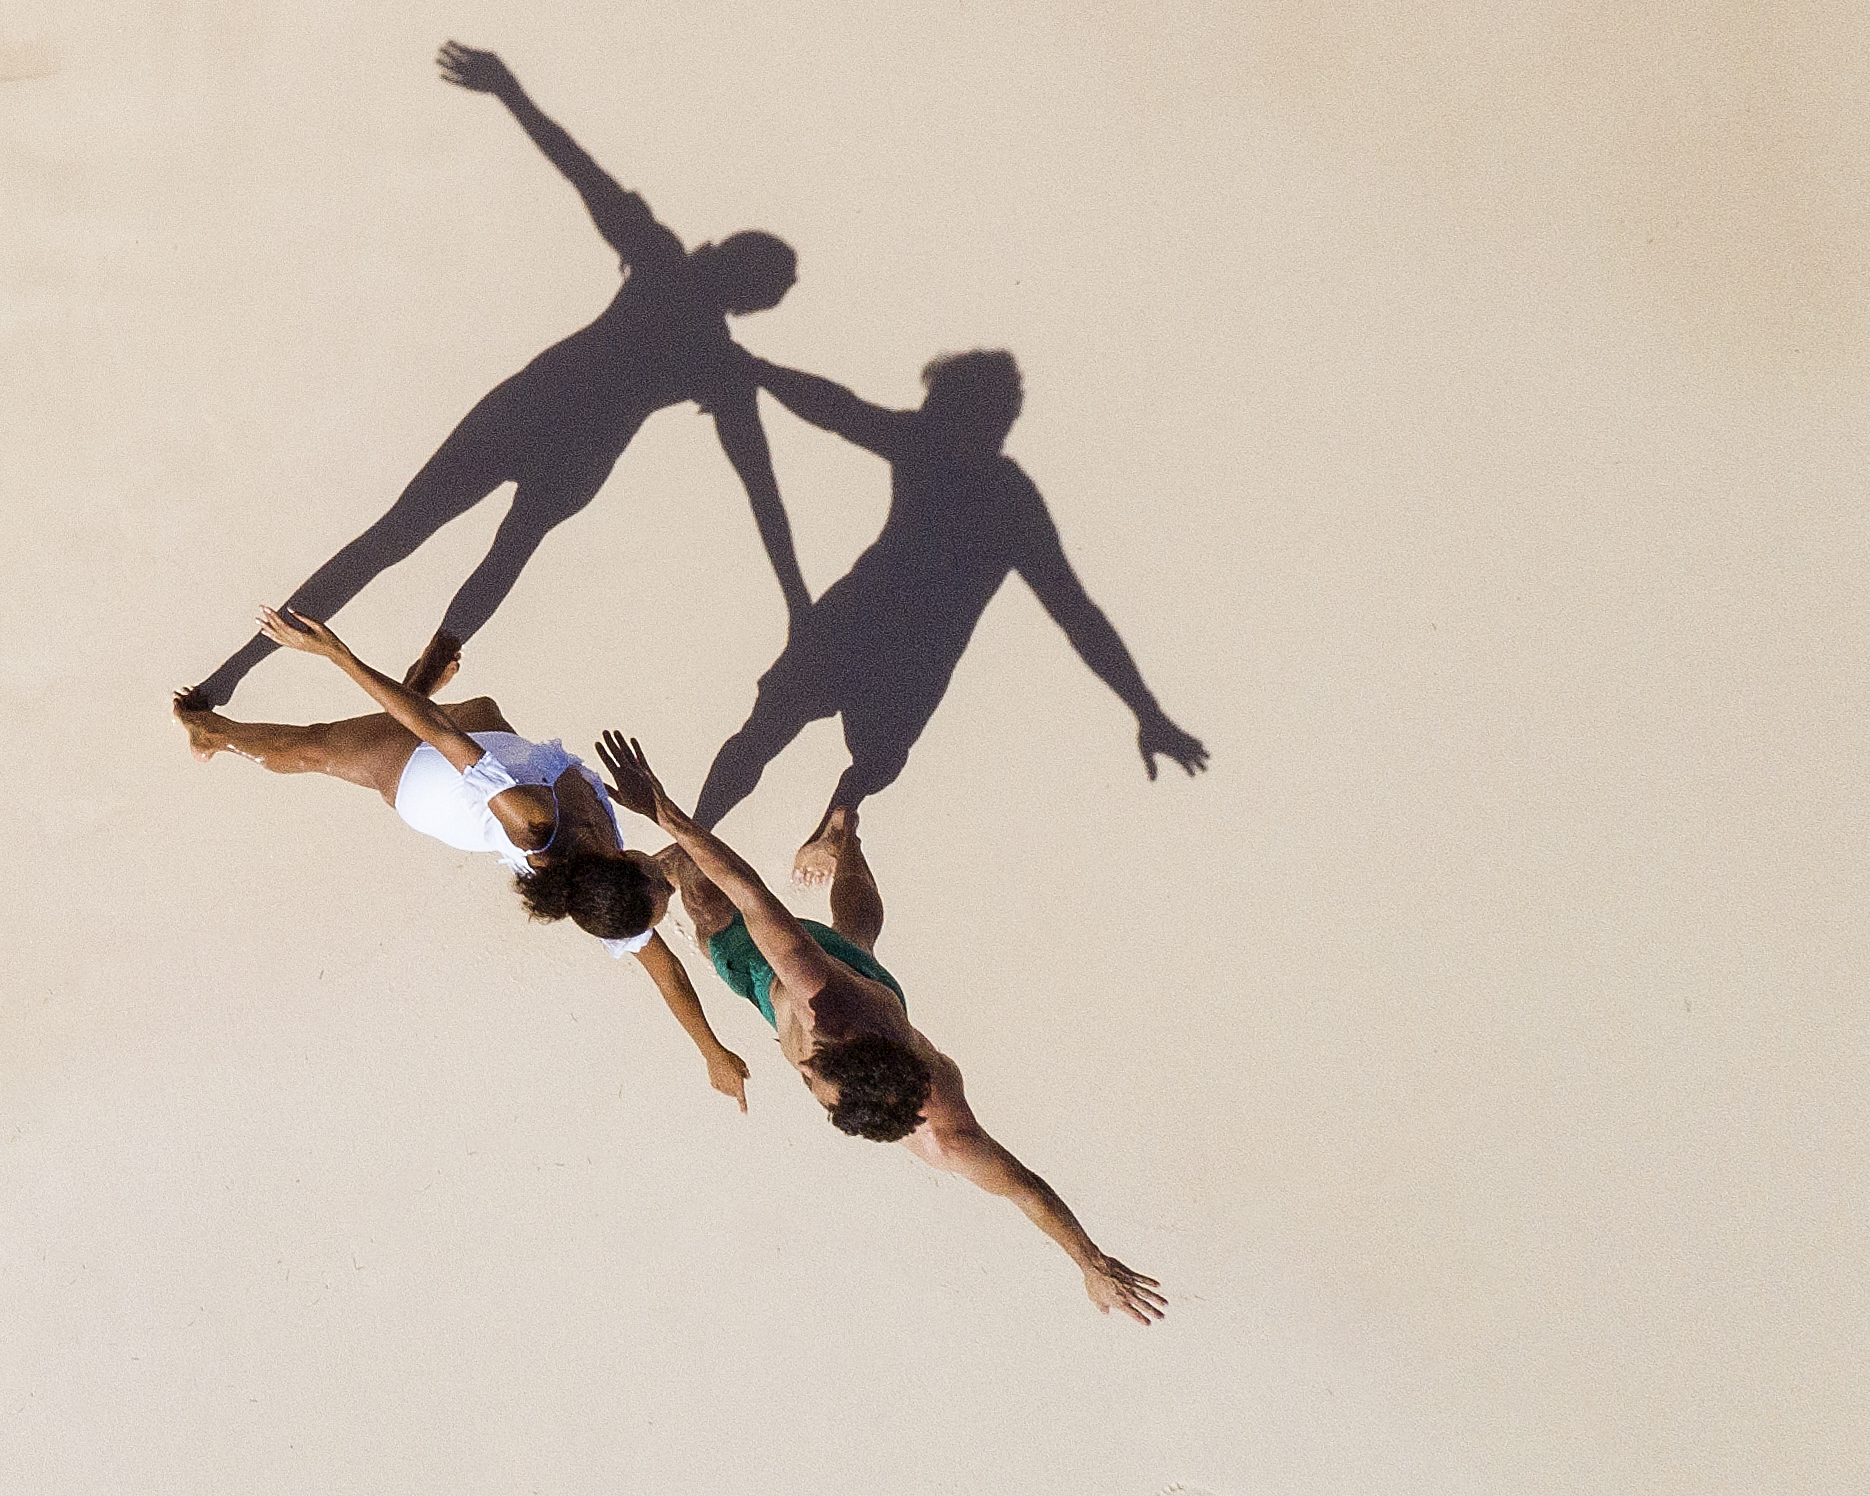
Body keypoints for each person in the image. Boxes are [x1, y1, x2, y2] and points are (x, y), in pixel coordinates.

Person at [183, 45, 813, 712]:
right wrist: (798, 604)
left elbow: (584, 173)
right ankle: (408, 684)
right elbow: (761, 487)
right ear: (747, 303)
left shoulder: (663, 264)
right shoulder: (718, 360)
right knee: (500, 552)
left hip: (529, 409)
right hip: (582, 450)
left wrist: (508, 89)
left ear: (725, 261)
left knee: (398, 535)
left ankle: (239, 673)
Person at [588, 729, 1168, 1321]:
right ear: (839, 1044)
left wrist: (1090, 1263)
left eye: (815, 1091)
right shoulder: (822, 997)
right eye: (814, 1076)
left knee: (858, 941)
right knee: (717, 918)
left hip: (872, 995)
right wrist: (663, 811)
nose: (804, 1076)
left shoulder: (944, 1136)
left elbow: (1023, 1189)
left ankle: (844, 837)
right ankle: (686, 864)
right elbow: (754, 896)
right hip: (801, 984)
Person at [181, 606, 760, 1110]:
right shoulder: (583, 857)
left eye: (660, 881)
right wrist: (714, 1050)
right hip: (495, 750)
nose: (668, 875)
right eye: (665, 883)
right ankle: (411, 691)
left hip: (422, 782)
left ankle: (211, 735)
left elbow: (436, 736)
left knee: (316, 745)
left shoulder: (534, 822)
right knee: (481, 707)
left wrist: (335, 652)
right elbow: (669, 971)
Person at [691, 348, 1206, 824]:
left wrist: (756, 368)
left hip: (865, 623)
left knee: (774, 740)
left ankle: (729, 830)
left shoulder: (938, 448)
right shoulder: (1000, 488)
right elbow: (1077, 615)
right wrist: (1146, 711)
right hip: (910, 646)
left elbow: (840, 411)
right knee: (858, 761)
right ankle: (818, 817)